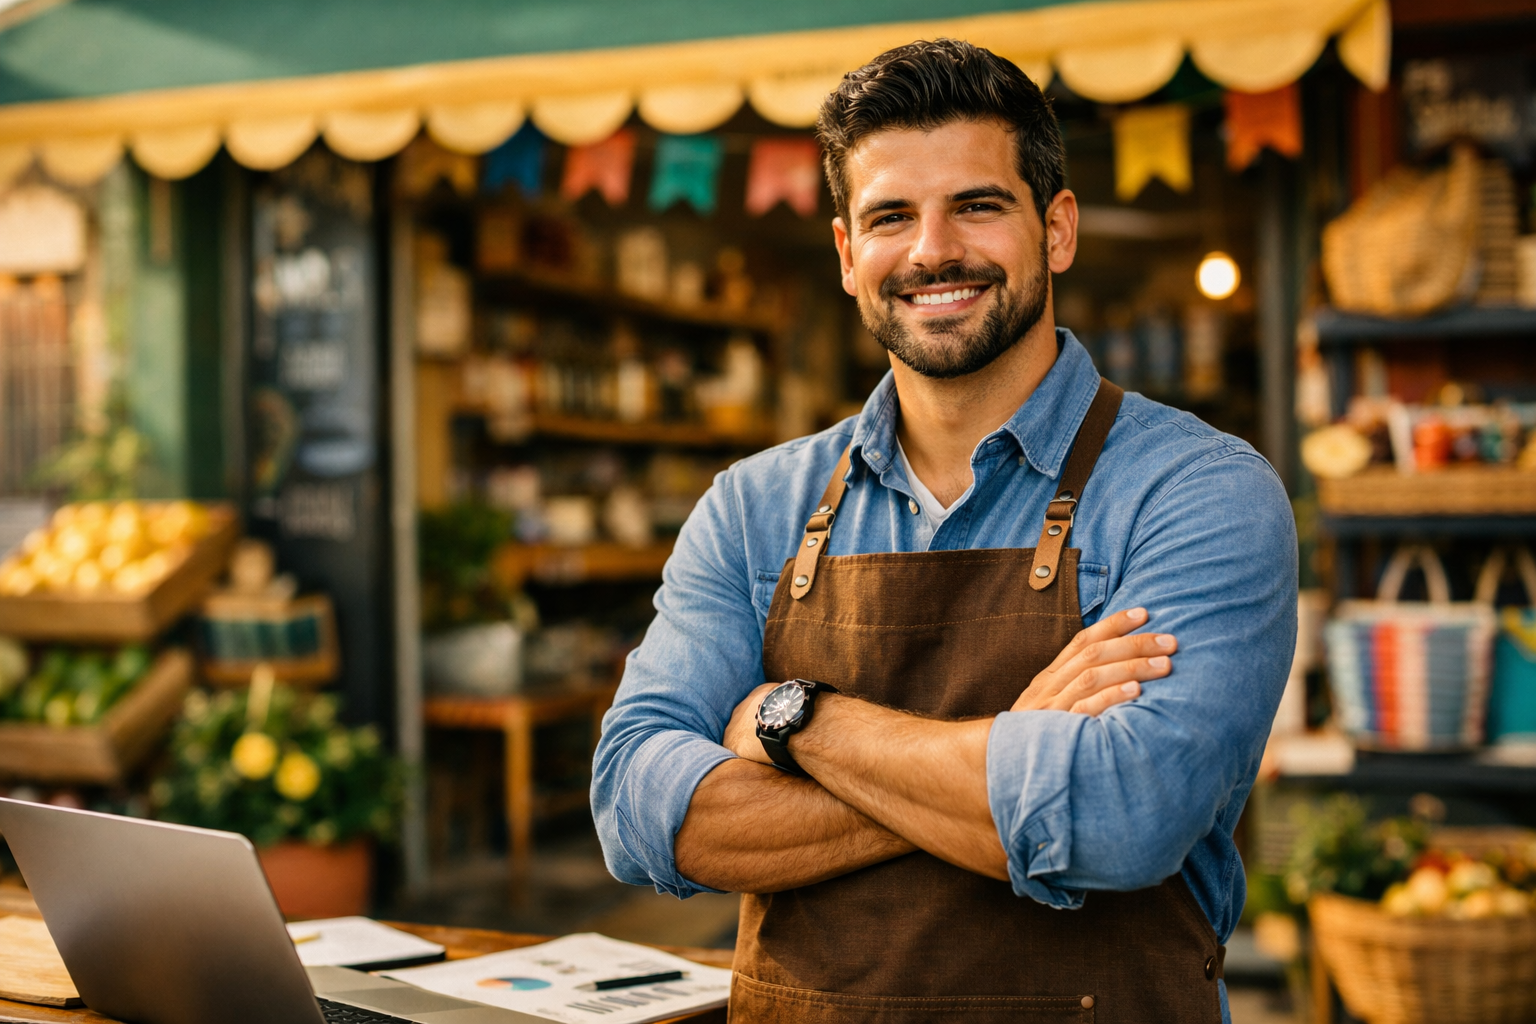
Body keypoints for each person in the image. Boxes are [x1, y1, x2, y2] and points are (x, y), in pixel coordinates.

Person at [592, 38, 1296, 1024]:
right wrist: (1013, 755)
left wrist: (799, 718)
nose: (932, 250)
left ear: (1056, 229)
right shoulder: (754, 506)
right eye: (890, 216)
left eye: (977, 204)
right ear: (847, 255)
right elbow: (636, 807)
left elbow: (1122, 815)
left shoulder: (1195, 489)